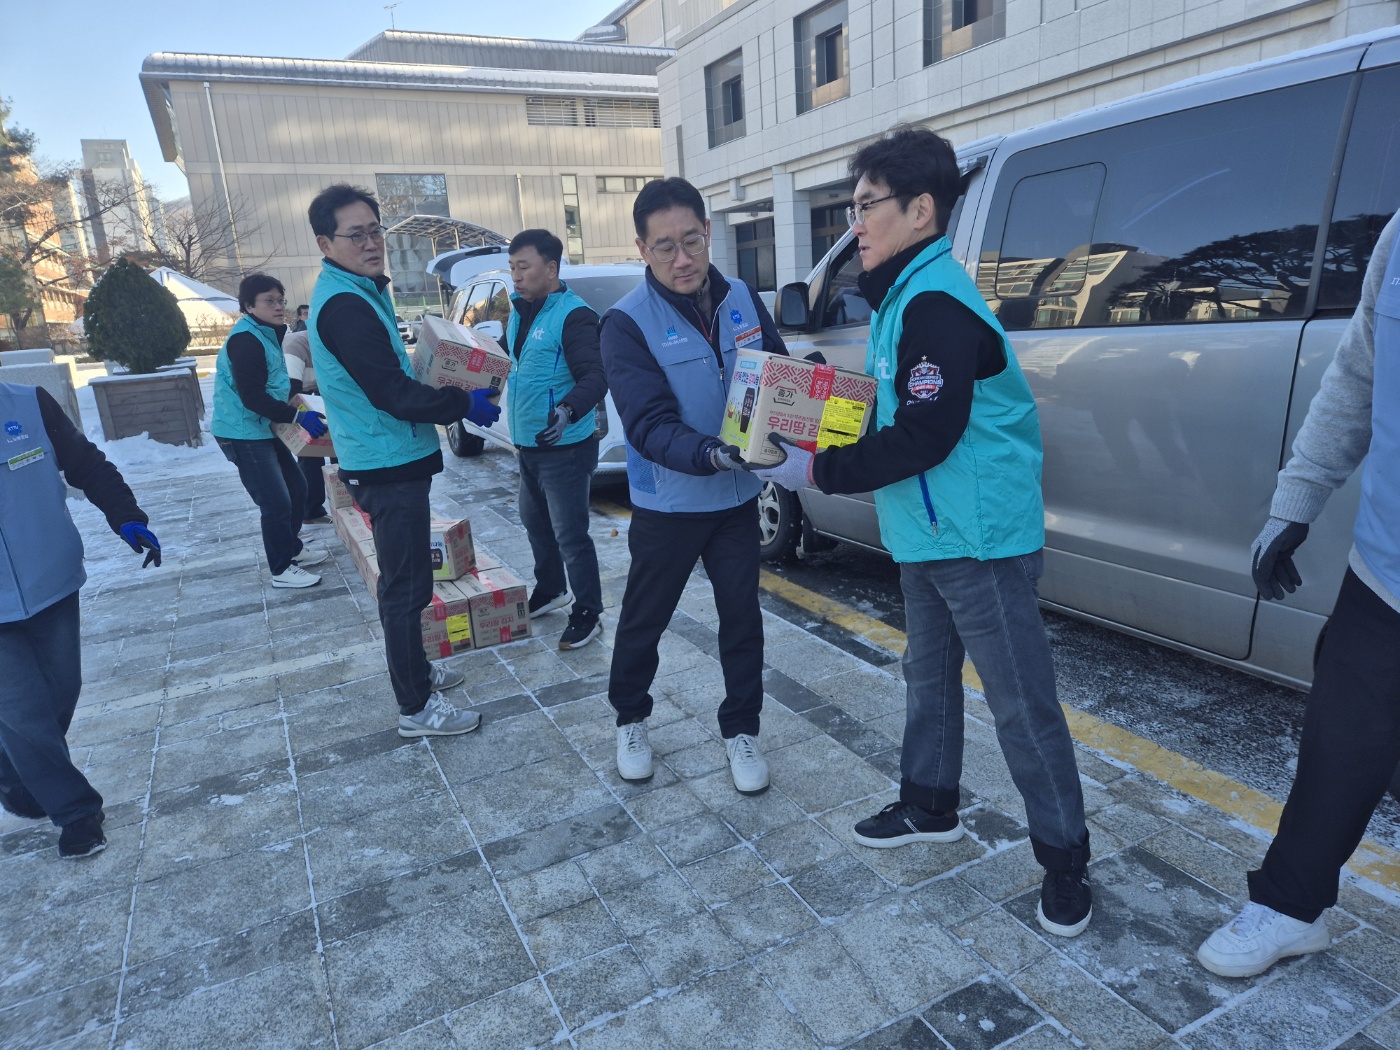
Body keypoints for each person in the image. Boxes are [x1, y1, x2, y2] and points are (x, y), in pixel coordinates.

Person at [750, 127, 1093, 937]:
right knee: (928, 676)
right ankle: (930, 804)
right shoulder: (904, 298)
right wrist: (812, 413)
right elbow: (895, 407)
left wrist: (816, 471)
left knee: (1020, 704)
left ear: (920, 210)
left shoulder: (936, 303)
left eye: (867, 205)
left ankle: (1065, 860)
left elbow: (927, 435)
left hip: (979, 539)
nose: (856, 223)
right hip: (928, 531)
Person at [1197, 210, 1400, 978]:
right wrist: (1295, 504)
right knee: (1341, 741)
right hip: (1385, 565)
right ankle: (1290, 904)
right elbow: (1358, 372)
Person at [600, 177, 787, 795]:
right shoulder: (626, 323)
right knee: (645, 619)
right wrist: (710, 453)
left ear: (708, 234)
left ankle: (742, 730)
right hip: (670, 503)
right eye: (665, 247)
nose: (682, 259)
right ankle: (630, 719)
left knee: (742, 620)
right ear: (642, 248)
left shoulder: (742, 299)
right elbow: (649, 423)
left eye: (692, 241)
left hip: (737, 500)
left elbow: (778, 372)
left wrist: (812, 391)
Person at [306, 183, 501, 738]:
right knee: (405, 588)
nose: (371, 243)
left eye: (376, 231)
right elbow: (391, 393)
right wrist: (462, 403)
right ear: (325, 242)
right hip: (385, 463)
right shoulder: (345, 306)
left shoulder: (357, 291)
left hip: (389, 457)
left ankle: (416, 670)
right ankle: (415, 708)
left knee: (409, 582)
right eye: (356, 235)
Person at [0, 380, 161, 858]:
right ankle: (76, 813)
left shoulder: (29, 404)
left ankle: (12, 769)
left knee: (61, 694)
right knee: (22, 710)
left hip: (51, 580)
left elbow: (87, 464)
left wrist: (126, 515)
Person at [505, 228, 608, 650]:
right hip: (529, 444)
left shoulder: (574, 316)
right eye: (512, 268)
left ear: (550, 269)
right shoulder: (519, 311)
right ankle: (551, 589)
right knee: (535, 523)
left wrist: (567, 410)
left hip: (565, 447)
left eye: (523, 267)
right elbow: (512, 363)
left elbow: (596, 375)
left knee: (571, 535)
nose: (516, 276)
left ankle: (588, 611)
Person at [212, 273, 330, 590]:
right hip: (242, 432)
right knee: (276, 501)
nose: (279, 307)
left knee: (297, 488)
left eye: (281, 300)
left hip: (261, 426)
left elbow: (274, 385)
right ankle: (281, 568)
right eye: (269, 301)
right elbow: (252, 397)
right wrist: (297, 417)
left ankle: (292, 549)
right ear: (249, 306)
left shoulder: (268, 334)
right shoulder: (246, 341)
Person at [283, 327, 331, 524]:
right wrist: (302, 417)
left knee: (340, 448)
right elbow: (291, 393)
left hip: (321, 389)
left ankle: (348, 503)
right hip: (295, 393)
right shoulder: (296, 347)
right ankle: (311, 511)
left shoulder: (337, 344)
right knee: (311, 451)